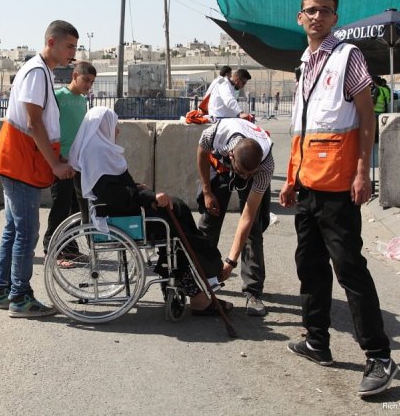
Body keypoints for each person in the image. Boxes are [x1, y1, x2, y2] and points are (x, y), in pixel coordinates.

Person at [279, 0, 397, 397]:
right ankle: (316, 341)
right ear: (300, 17)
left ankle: (379, 355)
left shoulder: (348, 56)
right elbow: (304, 129)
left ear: (334, 18)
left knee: (349, 269)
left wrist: (364, 171)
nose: (316, 17)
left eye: (325, 11)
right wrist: (291, 178)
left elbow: (366, 116)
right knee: (309, 266)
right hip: (308, 185)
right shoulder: (304, 64)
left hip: (339, 187)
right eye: (310, 10)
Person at [69, 106, 231, 315]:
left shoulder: (100, 150)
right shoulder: (98, 153)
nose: (117, 130)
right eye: (114, 125)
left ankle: (197, 285)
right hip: (118, 216)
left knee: (178, 207)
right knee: (175, 229)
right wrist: (149, 197)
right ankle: (198, 293)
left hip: (122, 209)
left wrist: (138, 189)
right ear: (103, 127)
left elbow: (114, 188)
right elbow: (112, 195)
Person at [0, 20, 77, 318]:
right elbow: (34, 122)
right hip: (20, 162)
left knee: (14, 229)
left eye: (75, 48)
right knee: (27, 231)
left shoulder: (41, 71)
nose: (72, 54)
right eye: (69, 47)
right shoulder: (38, 72)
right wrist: (54, 164)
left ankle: (3, 290)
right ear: (52, 43)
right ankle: (20, 297)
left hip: (15, 160)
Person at [196, 118, 273, 316]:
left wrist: (230, 262)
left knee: (253, 230)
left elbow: (247, 217)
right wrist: (207, 191)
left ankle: (253, 292)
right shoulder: (215, 134)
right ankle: (202, 283)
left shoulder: (265, 166)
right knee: (209, 221)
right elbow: (202, 153)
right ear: (231, 155)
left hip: (249, 165)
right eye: (242, 173)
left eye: (250, 173)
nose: (245, 177)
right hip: (220, 166)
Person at [42, 61, 96, 266]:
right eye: (86, 80)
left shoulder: (82, 101)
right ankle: (52, 250)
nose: (88, 85)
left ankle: (70, 249)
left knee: (76, 208)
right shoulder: (58, 97)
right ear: (75, 76)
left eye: (91, 82)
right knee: (60, 206)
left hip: (77, 162)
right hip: (61, 161)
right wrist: (55, 157)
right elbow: (46, 126)